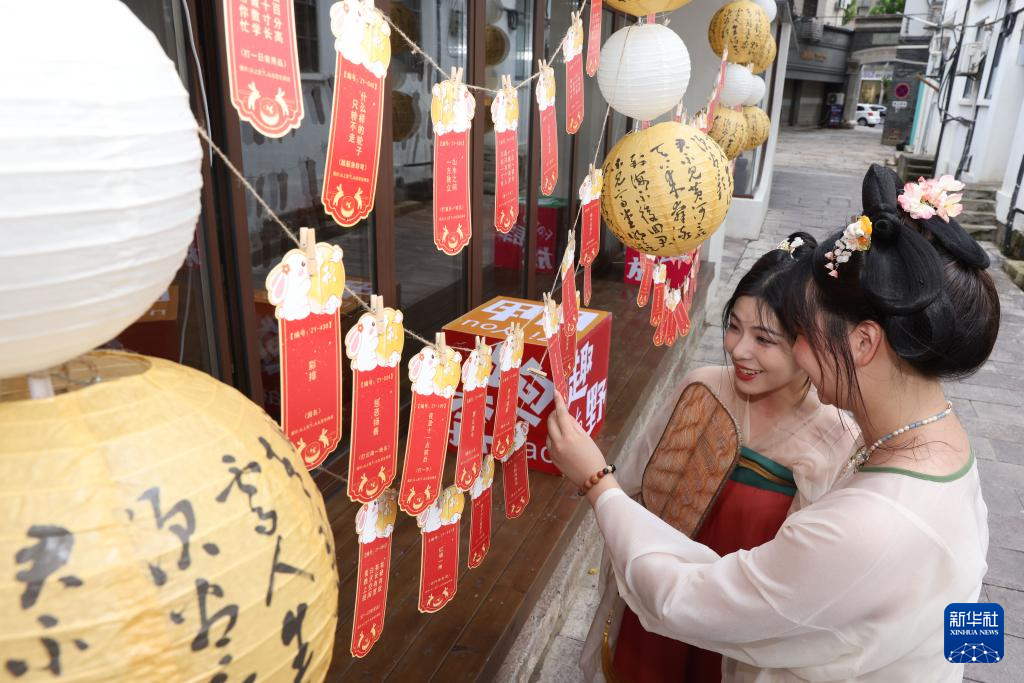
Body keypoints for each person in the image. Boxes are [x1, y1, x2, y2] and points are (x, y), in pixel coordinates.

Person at [551, 165, 995, 682]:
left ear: (863, 342)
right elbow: (969, 597)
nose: (796, 350)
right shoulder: (950, 451)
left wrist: (596, 484)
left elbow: (686, 600)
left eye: (800, 332)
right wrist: (952, 666)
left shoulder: (868, 524)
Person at [585, 232, 859, 682]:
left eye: (764, 338)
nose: (739, 350)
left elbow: (802, 583)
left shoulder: (833, 439)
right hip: (660, 602)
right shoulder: (703, 388)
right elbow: (637, 488)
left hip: (741, 632)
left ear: (808, 343)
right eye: (734, 327)